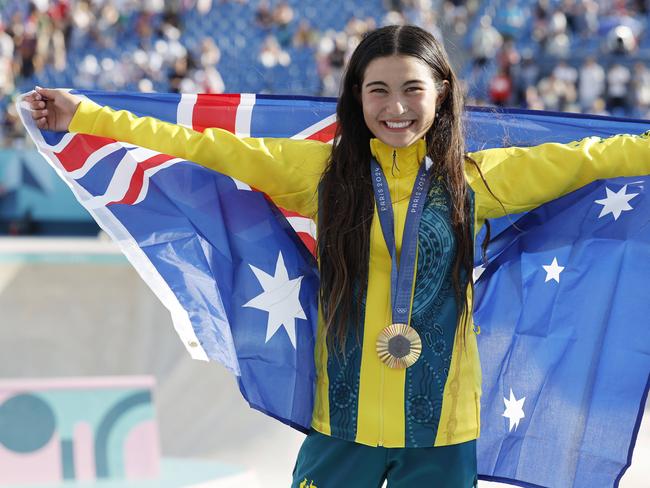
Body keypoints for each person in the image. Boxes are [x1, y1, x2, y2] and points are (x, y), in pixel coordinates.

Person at [25, 25, 650, 487]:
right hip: (341, 426)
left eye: (412, 89)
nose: (396, 107)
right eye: (378, 91)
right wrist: (92, 117)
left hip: (442, 435)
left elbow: (598, 158)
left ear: (442, 92)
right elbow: (201, 145)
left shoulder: (481, 180)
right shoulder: (316, 172)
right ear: (356, 95)